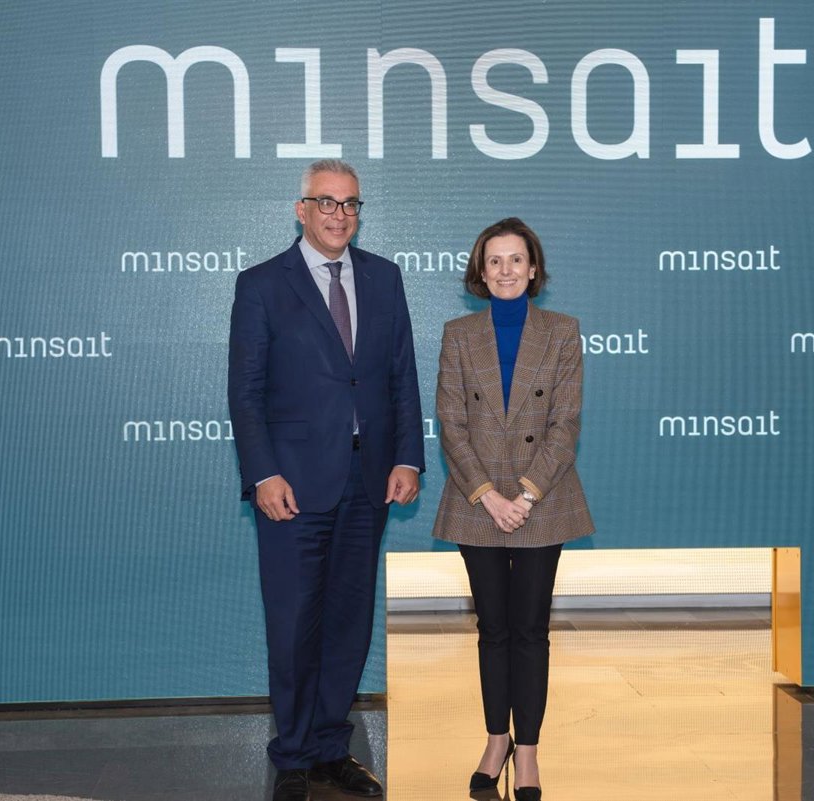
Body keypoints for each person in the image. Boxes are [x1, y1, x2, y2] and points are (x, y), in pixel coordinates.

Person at [229, 159, 425, 801]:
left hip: (368, 482)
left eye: (350, 204)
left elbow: (401, 376)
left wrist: (408, 457)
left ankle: (330, 749)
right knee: (293, 626)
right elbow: (246, 393)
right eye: (327, 202)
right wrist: (263, 472)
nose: (340, 215)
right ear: (302, 210)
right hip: (291, 487)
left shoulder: (385, 277)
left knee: (348, 622)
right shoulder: (262, 284)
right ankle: (291, 756)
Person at [431, 217, 593, 801]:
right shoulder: (458, 334)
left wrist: (524, 495)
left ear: (533, 268)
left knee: (530, 631)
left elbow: (565, 425)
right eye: (494, 260)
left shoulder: (563, 332)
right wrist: (489, 495)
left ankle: (527, 753)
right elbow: (451, 424)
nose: (505, 270)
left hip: (541, 504)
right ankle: (495, 741)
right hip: (477, 503)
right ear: (481, 270)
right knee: (492, 630)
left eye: (516, 259)